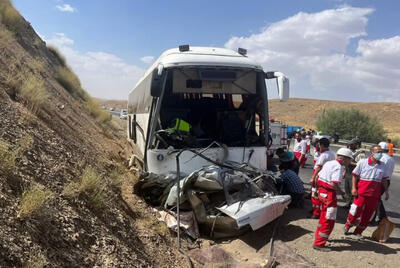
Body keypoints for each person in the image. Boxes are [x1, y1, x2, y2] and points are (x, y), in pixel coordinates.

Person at [344, 145, 390, 238]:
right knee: (355, 211)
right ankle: (348, 225)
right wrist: (353, 188)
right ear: (372, 153)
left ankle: (358, 232)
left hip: (374, 195)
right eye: (378, 152)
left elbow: (384, 180)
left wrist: (386, 191)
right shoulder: (363, 162)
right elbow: (355, 175)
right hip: (361, 193)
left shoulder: (383, 165)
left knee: (367, 215)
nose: (380, 154)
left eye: (381, 152)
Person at [313, 148, 353, 251]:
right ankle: (319, 243)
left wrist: (317, 191)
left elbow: (317, 177)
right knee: (329, 219)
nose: (350, 162)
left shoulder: (329, 163)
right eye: (349, 159)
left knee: (323, 217)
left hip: (322, 193)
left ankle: (319, 237)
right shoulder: (338, 167)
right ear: (344, 159)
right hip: (329, 195)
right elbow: (333, 184)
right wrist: (343, 193)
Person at [309, 138, 335, 218]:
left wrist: (313, 177)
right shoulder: (331, 153)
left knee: (315, 194)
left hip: (318, 175)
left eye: (319, 145)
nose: (318, 146)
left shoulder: (324, 155)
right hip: (325, 176)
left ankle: (316, 213)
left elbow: (319, 167)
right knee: (320, 194)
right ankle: (316, 210)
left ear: (322, 145)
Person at [375, 141, 395, 222]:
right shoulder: (391, 158)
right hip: (387, 180)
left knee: (376, 199)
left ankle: (382, 217)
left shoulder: (382, 158)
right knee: (377, 199)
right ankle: (381, 217)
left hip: (381, 180)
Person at [344, 139, 366, 207]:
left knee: (353, 190)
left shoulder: (361, 154)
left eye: (352, 144)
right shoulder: (351, 152)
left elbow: (361, 165)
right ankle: (348, 203)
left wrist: (350, 163)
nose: (350, 146)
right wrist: (344, 172)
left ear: (357, 145)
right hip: (348, 172)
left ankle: (354, 205)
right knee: (347, 189)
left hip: (354, 174)